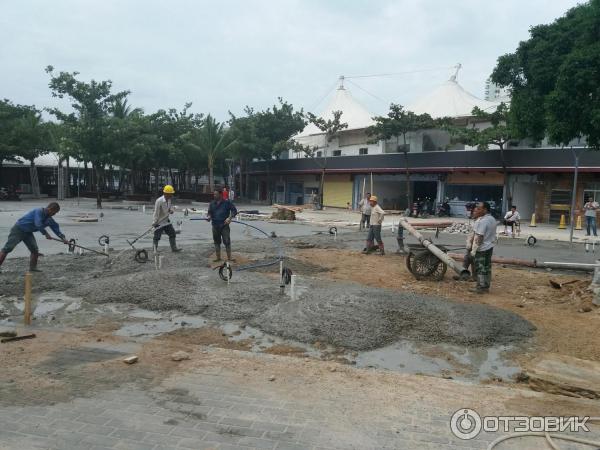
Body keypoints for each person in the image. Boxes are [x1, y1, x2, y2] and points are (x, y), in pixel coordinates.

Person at [0, 202, 68, 272]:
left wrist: (63, 238)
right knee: (8, 248)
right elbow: (38, 224)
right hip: (19, 229)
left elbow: (55, 228)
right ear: (50, 209)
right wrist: (46, 233)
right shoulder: (38, 211)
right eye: (54, 212)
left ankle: (33, 268)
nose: (54, 214)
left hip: (28, 232)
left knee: (34, 250)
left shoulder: (49, 219)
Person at [469, 202, 497, 293]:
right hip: (489, 247)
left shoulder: (483, 221)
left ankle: (480, 287)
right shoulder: (492, 219)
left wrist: (474, 249)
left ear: (485, 210)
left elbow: (479, 237)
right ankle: (486, 286)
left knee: (480, 268)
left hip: (482, 248)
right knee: (487, 267)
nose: (476, 209)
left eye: (479, 208)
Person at [208, 188, 238, 262]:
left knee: (227, 241)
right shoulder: (212, 203)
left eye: (216, 194)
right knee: (216, 242)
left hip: (224, 225)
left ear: (220, 195)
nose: (214, 196)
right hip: (215, 225)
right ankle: (218, 257)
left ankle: (229, 257)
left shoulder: (227, 203)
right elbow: (209, 212)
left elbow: (234, 211)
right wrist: (209, 217)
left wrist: (229, 218)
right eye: (214, 194)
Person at [153, 185, 182, 253]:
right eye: (170, 194)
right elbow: (156, 212)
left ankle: (174, 248)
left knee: (172, 233)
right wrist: (154, 222)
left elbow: (168, 209)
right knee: (157, 237)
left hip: (166, 220)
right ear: (166, 193)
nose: (172, 195)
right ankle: (154, 249)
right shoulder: (159, 201)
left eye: (172, 194)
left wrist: (171, 210)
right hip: (159, 221)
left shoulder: (169, 200)